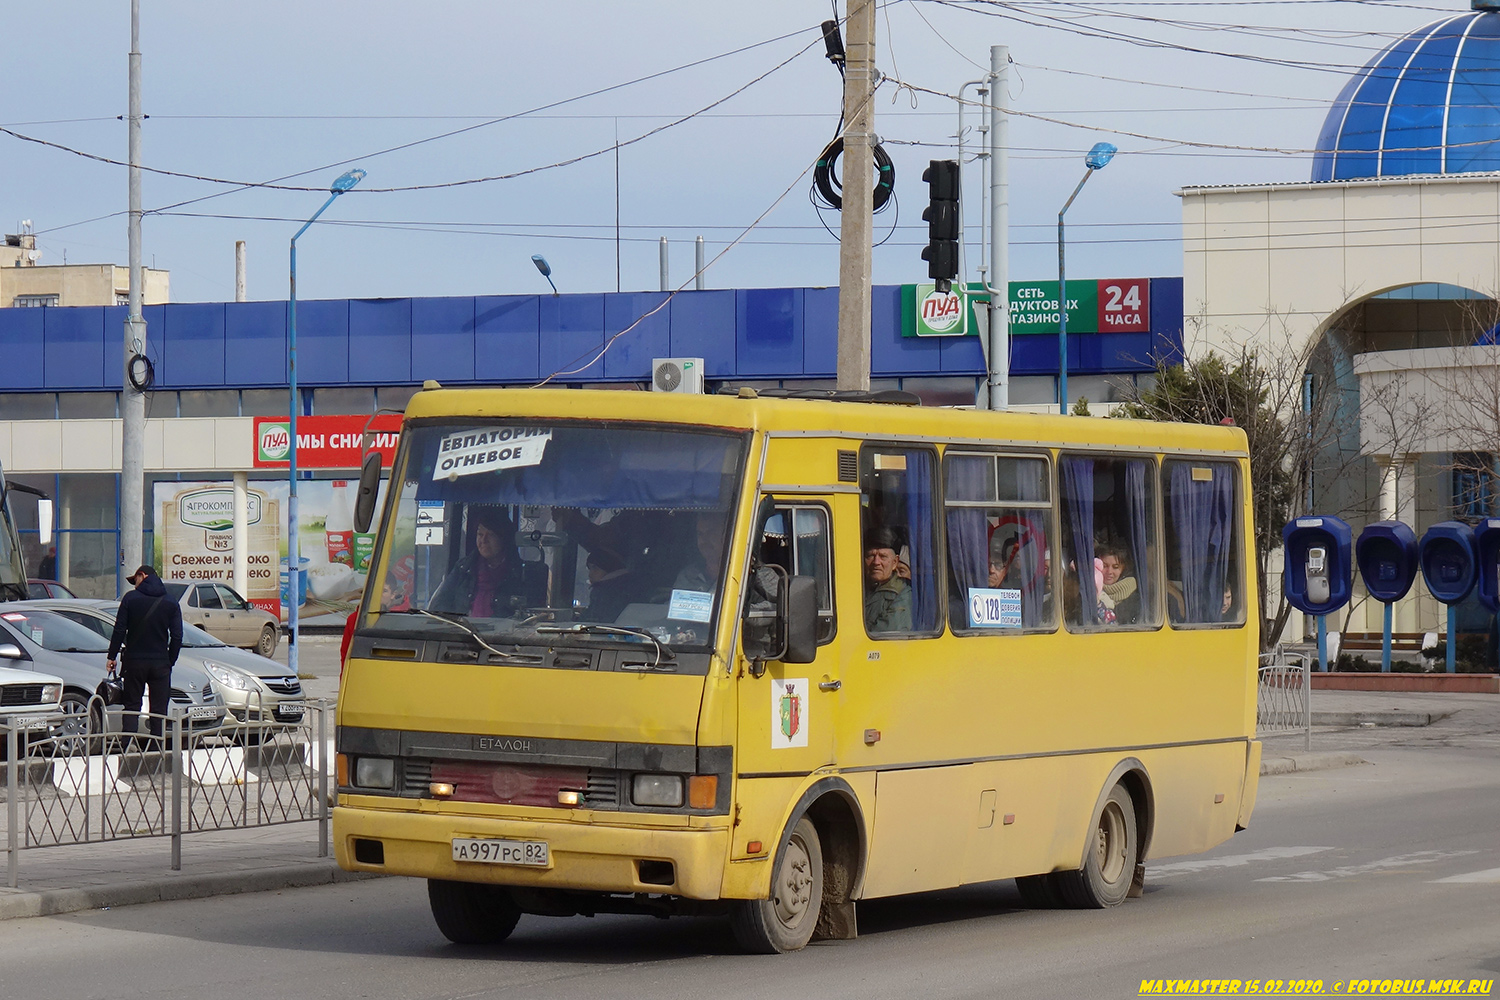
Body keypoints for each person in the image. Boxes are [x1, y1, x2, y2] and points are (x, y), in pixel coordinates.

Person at [106, 565, 183, 743]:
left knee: (132, 705)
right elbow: (177, 636)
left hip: (134, 661)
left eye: (136, 580)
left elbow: (119, 630)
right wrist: (169, 660)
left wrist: (112, 656)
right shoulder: (171, 601)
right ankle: (157, 751)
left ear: (143, 575)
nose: (135, 585)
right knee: (159, 708)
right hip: (160, 663)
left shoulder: (130, 599)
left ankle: (127, 749)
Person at [429, 507, 526, 617]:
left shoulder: (520, 573)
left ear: (503, 538)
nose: (483, 540)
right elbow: (439, 606)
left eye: (491, 535)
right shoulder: (463, 568)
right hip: (464, 632)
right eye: (480, 534)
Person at [863, 527, 912, 632]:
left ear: (895, 562)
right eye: (871, 556)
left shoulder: (902, 593)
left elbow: (884, 635)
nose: (876, 562)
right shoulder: (857, 588)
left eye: (883, 556)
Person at [1097, 544, 1141, 626]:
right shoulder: (1091, 594)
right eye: (1104, 566)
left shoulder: (1136, 600)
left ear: (1123, 569)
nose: (1109, 571)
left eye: (1115, 567)